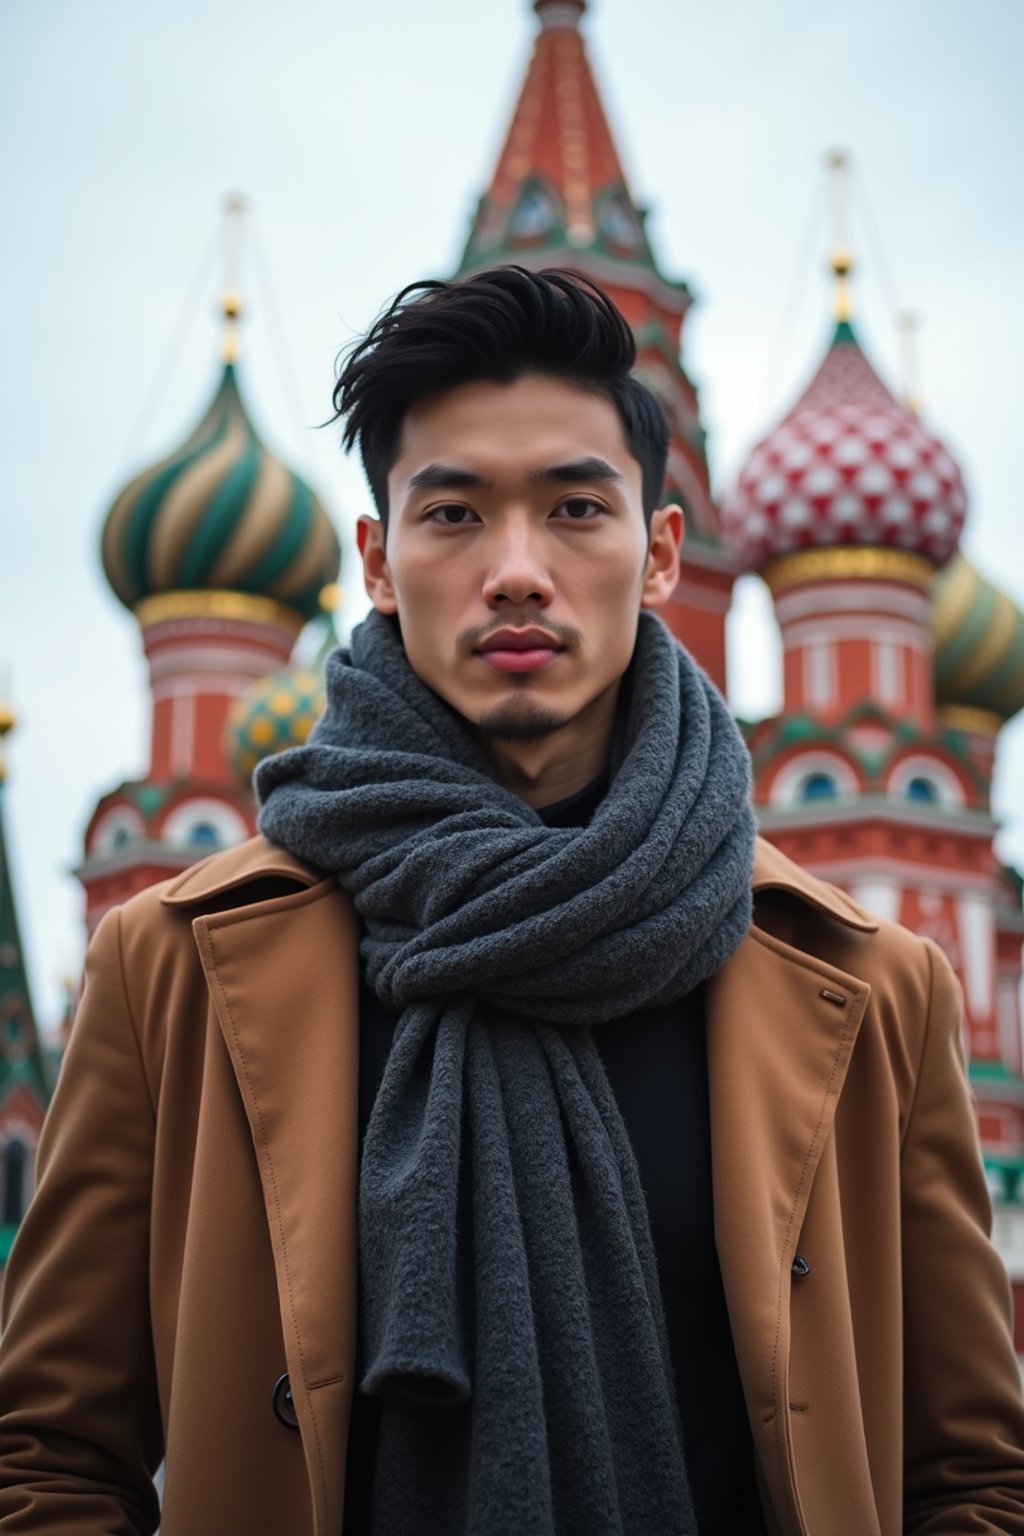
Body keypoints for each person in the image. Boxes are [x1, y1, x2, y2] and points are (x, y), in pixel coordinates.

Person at [0, 266, 1022, 1536]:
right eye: (455, 516)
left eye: (576, 508)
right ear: (376, 560)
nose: (518, 571)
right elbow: (46, 1455)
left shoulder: (867, 986)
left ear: (657, 556)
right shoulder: (176, 969)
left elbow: (972, 1476)